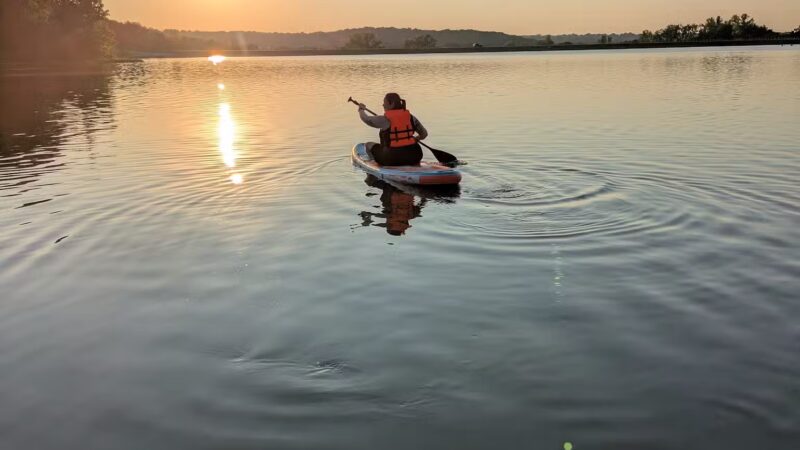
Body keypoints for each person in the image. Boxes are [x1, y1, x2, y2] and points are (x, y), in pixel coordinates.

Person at [357, 93, 428, 166]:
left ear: (392, 104)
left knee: (368, 145)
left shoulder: (385, 119)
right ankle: (414, 165)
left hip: (392, 158)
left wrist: (361, 109)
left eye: (385, 103)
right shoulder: (411, 117)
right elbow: (424, 134)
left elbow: (366, 119)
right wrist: (416, 139)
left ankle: (375, 167)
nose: (383, 105)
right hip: (415, 156)